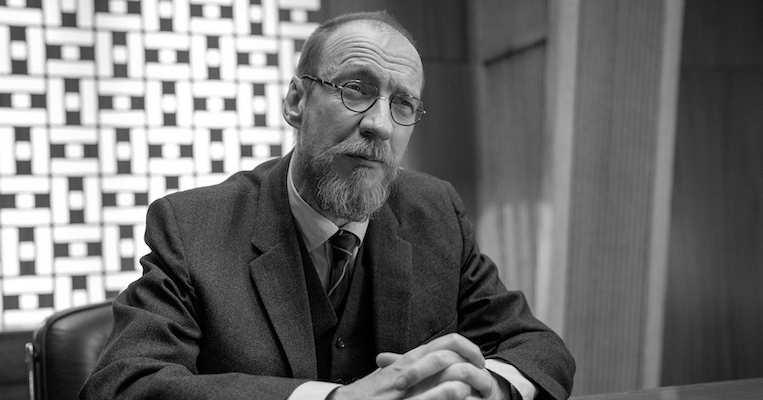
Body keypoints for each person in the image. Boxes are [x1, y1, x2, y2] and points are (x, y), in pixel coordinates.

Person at [81, 10, 575, 400]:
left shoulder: (436, 213)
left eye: (402, 103)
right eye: (356, 89)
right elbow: (125, 385)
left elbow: (539, 348)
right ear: (296, 101)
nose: (380, 124)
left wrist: (488, 387)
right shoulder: (193, 226)